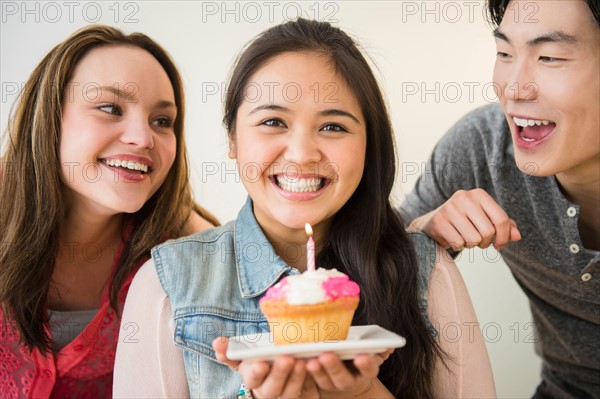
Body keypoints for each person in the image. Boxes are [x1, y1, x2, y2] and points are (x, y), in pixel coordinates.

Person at [114, 18, 495, 398]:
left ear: (368, 144)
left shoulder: (428, 273)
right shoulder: (168, 284)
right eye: (273, 121)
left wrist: (363, 393)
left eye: (332, 127)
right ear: (233, 138)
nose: (301, 155)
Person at [0, 25, 217, 398]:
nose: (143, 137)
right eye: (110, 108)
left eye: (162, 121)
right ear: (48, 117)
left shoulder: (180, 251)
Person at [400, 0, 599, 397]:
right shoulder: (482, 149)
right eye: (505, 53)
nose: (513, 88)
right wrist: (422, 234)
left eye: (549, 57)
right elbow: (364, 268)